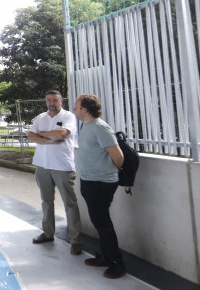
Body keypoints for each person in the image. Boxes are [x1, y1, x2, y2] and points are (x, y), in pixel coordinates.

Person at [73, 94, 126, 279]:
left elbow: (118, 156)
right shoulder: (87, 126)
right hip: (89, 180)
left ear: (85, 109)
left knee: (102, 223)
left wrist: (110, 172)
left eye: (76, 106)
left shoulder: (100, 127)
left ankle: (117, 262)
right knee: (99, 221)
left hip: (101, 183)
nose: (74, 109)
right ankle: (105, 256)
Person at [27, 90, 82, 255]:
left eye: (55, 100)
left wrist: (41, 134)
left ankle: (75, 240)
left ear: (61, 102)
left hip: (62, 166)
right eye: (49, 100)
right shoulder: (40, 118)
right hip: (42, 165)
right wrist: (47, 140)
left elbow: (63, 133)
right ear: (46, 102)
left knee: (70, 203)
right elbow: (30, 136)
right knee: (46, 201)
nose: (52, 103)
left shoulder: (68, 117)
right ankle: (48, 233)